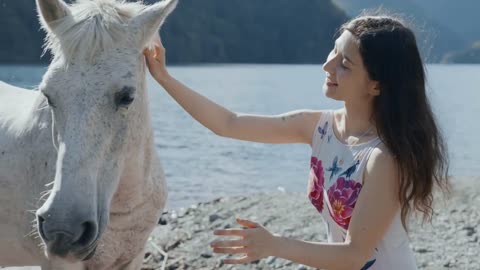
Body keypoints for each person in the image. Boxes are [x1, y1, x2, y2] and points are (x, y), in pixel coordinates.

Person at [144, 14, 449, 270]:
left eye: (345, 63)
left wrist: (275, 244)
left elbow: (355, 254)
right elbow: (229, 124)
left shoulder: (383, 157)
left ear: (377, 84)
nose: (328, 66)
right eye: (333, 52)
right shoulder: (319, 126)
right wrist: (164, 78)